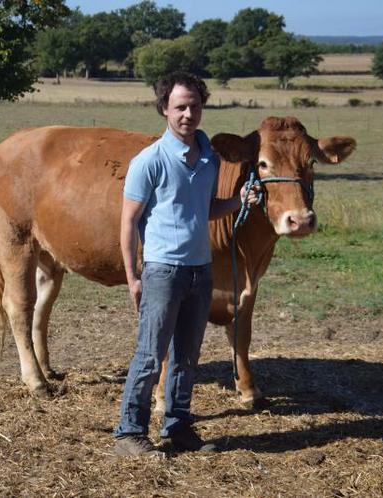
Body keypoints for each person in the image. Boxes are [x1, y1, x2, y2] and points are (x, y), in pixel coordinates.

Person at [114, 71, 259, 457]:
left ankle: (177, 428)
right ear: (164, 108)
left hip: (201, 269)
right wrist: (133, 277)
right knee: (149, 355)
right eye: (179, 107)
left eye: (194, 106)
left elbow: (205, 209)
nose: (187, 114)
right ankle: (129, 434)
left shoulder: (209, 158)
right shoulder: (149, 161)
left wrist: (239, 201)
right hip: (162, 271)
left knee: (187, 357)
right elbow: (128, 221)